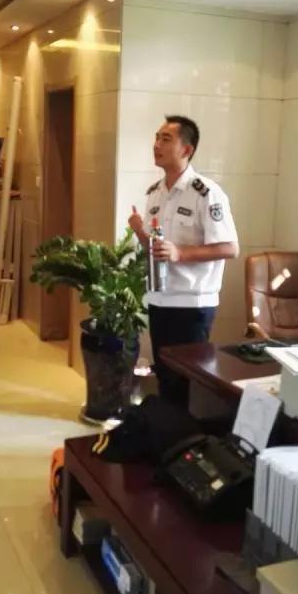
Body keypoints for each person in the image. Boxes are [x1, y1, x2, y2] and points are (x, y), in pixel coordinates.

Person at [128, 115, 239, 408]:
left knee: (185, 384)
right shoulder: (156, 193)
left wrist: (180, 253)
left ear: (186, 150)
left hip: (192, 304)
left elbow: (230, 247)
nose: (156, 145)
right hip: (160, 298)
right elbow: (157, 249)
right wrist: (140, 232)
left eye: (166, 139)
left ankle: (183, 434)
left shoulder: (206, 193)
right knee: (165, 379)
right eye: (157, 138)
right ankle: (166, 431)